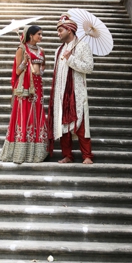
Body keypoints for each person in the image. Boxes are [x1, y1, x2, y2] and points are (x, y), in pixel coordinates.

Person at [48, 13, 94, 164]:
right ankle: (67, 155)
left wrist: (71, 59)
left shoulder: (82, 46)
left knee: (80, 124)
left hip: (77, 92)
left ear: (69, 30)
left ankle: (87, 156)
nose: (58, 33)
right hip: (61, 93)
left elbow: (89, 67)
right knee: (63, 125)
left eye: (60, 30)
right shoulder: (58, 50)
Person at [0, 25, 48, 164]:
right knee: (24, 115)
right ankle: (20, 152)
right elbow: (17, 72)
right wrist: (25, 62)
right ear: (31, 35)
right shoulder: (21, 49)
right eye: (39, 34)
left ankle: (37, 152)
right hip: (25, 88)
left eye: (41, 34)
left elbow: (43, 66)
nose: (41, 37)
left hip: (38, 87)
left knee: (37, 115)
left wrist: (39, 72)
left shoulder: (41, 50)